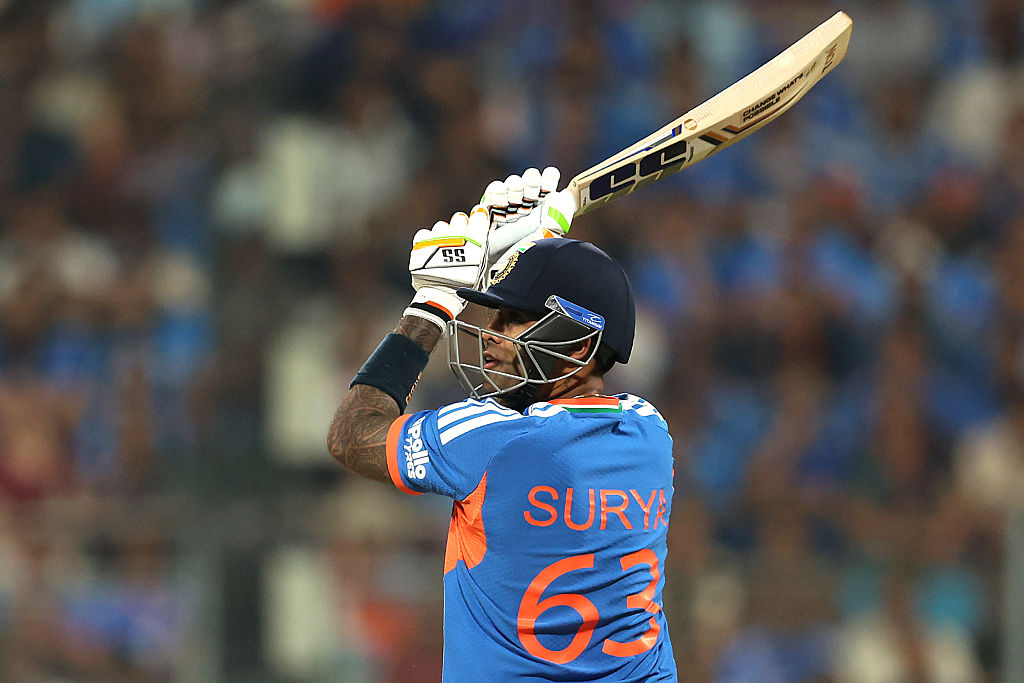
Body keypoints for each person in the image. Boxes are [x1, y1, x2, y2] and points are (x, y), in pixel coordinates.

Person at [328, 168, 677, 681]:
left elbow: (351, 435)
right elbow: (549, 426)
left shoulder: (487, 439)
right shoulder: (651, 436)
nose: (489, 334)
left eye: (513, 318)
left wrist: (433, 304)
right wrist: (536, 251)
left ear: (578, 345)